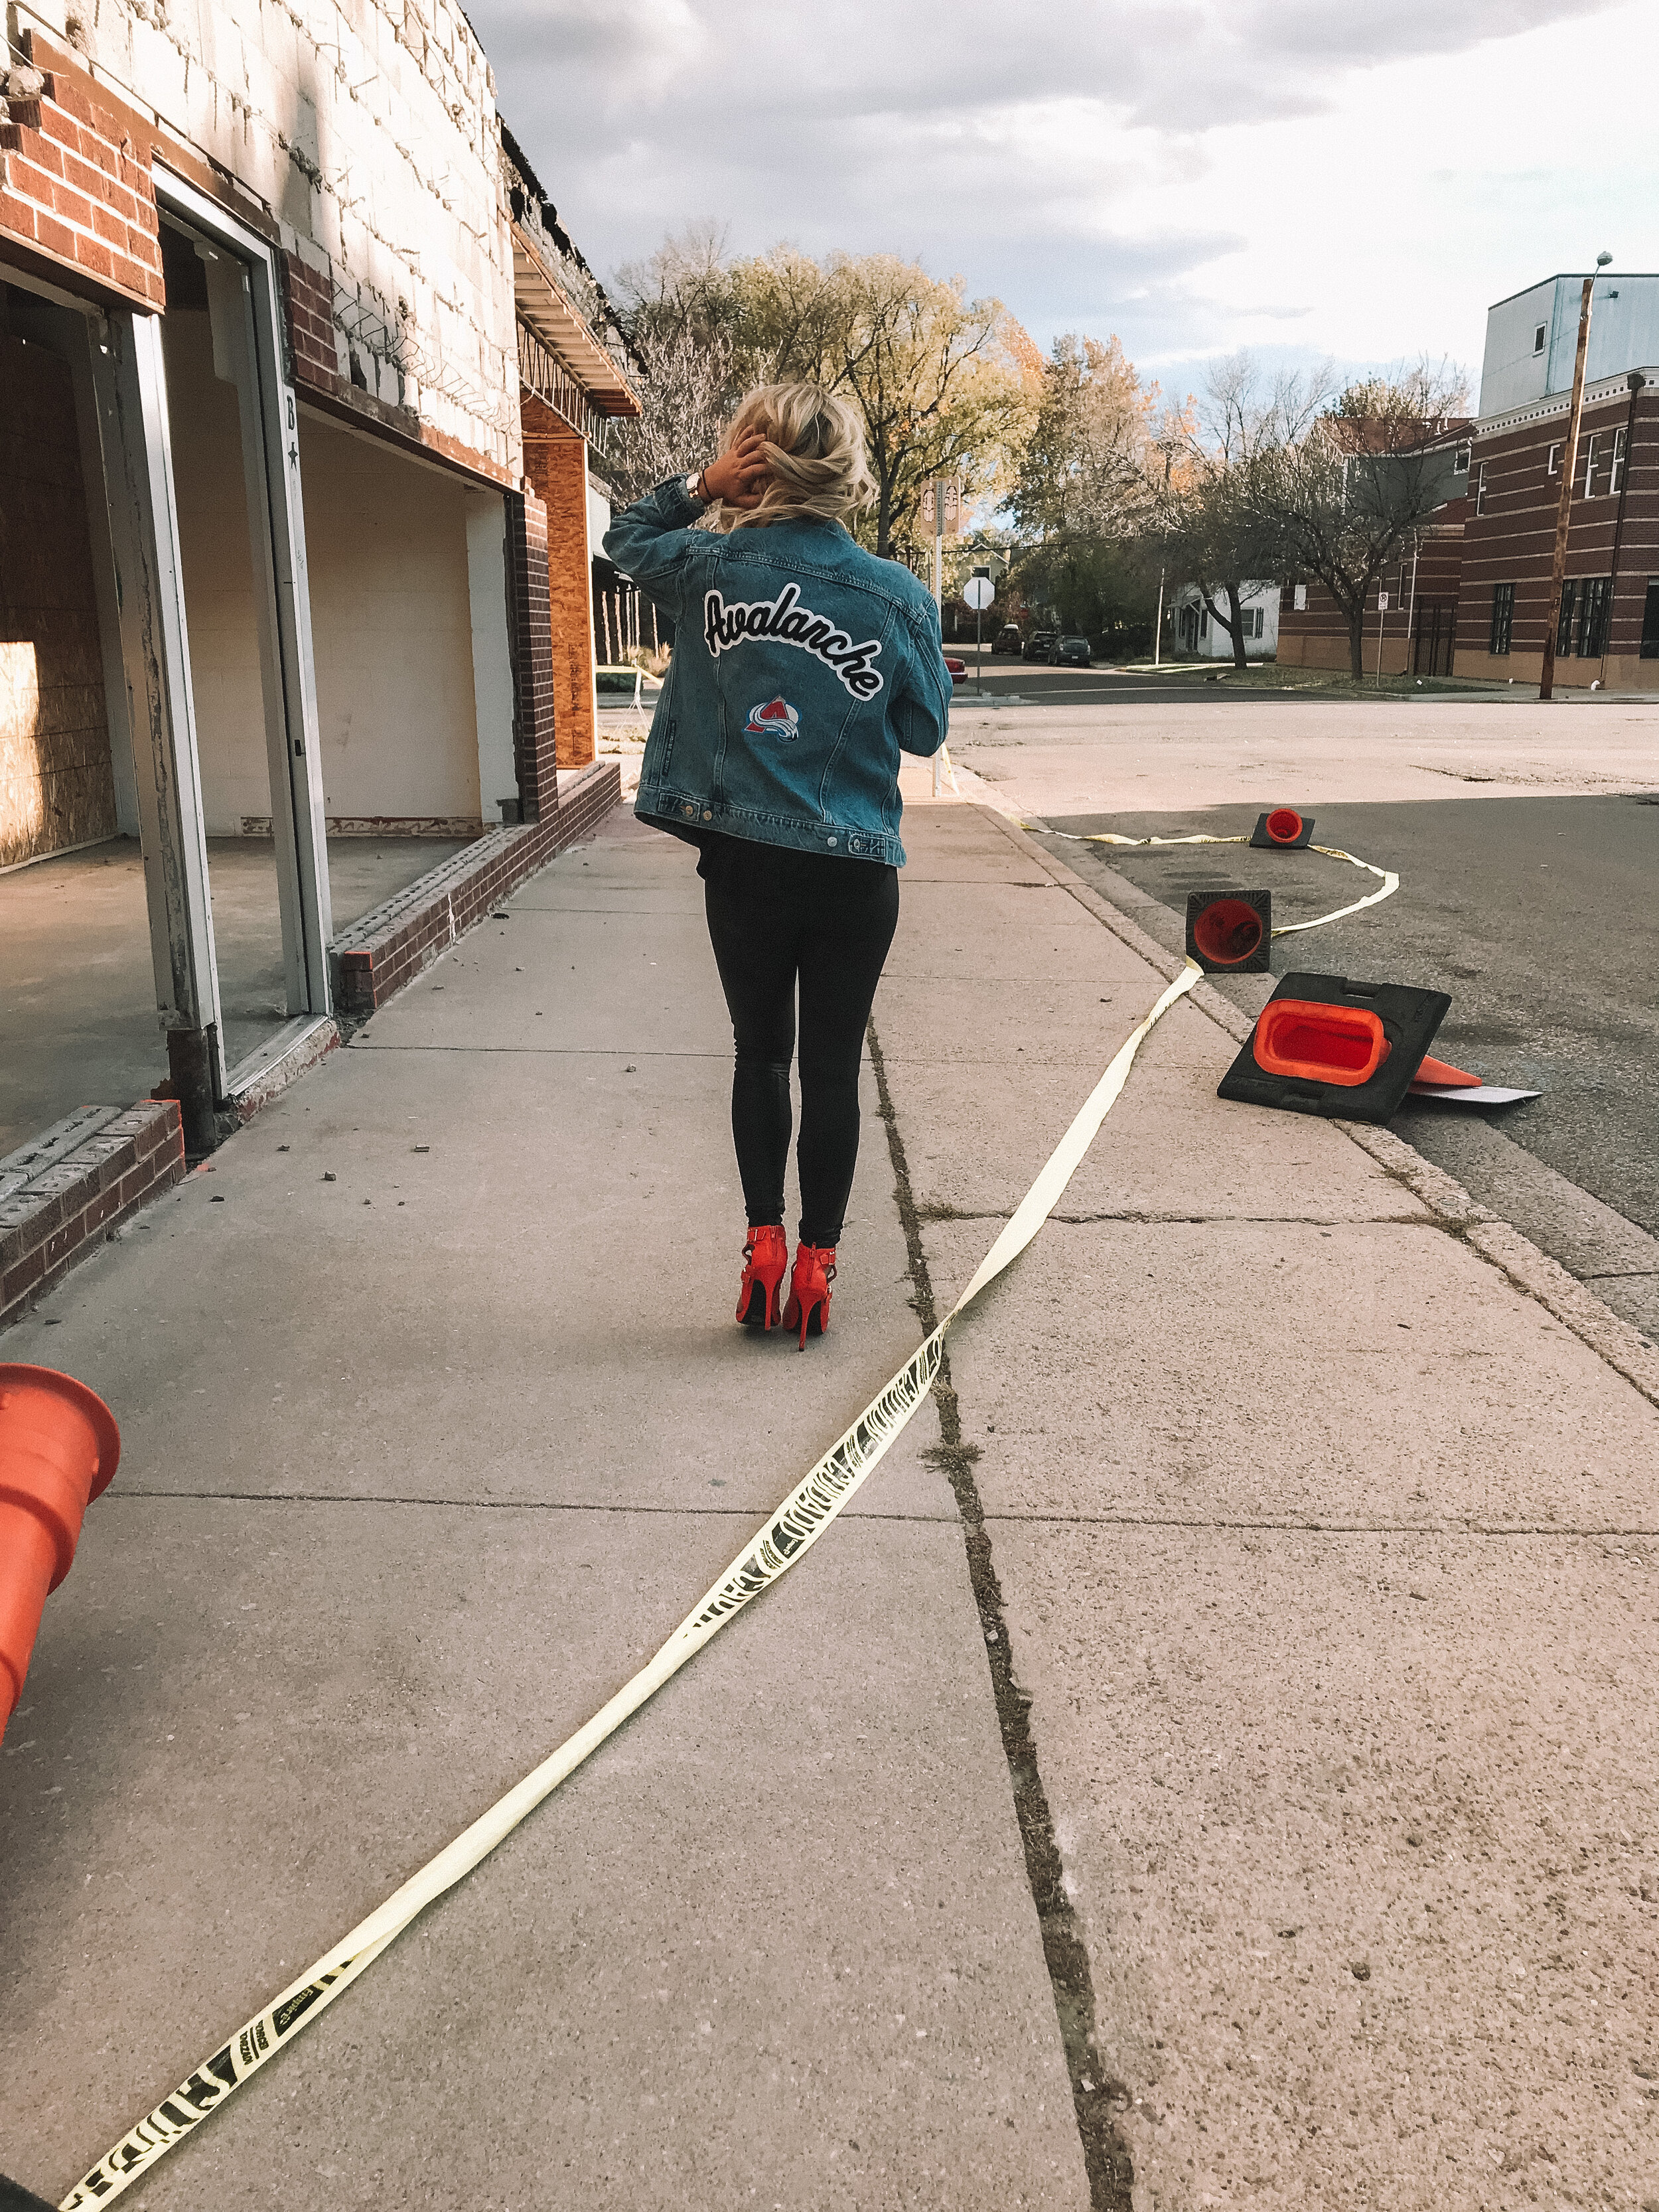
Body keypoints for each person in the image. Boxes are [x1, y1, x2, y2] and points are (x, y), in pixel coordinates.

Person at [604, 383, 952, 1346]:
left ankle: (761, 1252)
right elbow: (925, 730)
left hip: (746, 863)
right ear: (844, 471)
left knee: (761, 1053)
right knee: (833, 1067)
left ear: (750, 463)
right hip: (854, 870)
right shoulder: (895, 594)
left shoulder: (705, 566)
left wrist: (698, 487)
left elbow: (624, 539)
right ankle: (817, 1268)